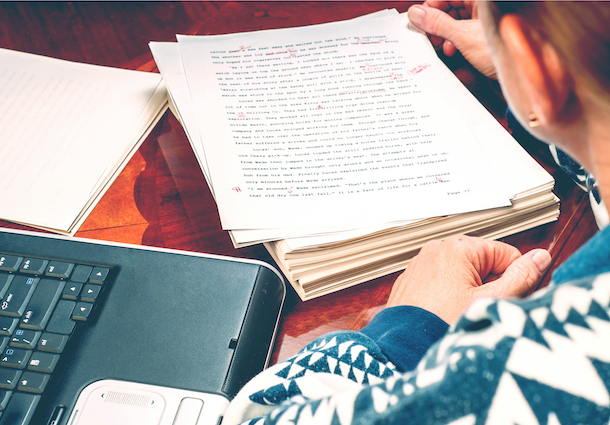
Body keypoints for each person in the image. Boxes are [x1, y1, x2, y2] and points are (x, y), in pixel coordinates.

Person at [223, 2, 610, 424]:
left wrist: (405, 336)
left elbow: (253, 416)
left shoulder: (540, 369)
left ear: (534, 63)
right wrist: (540, 81)